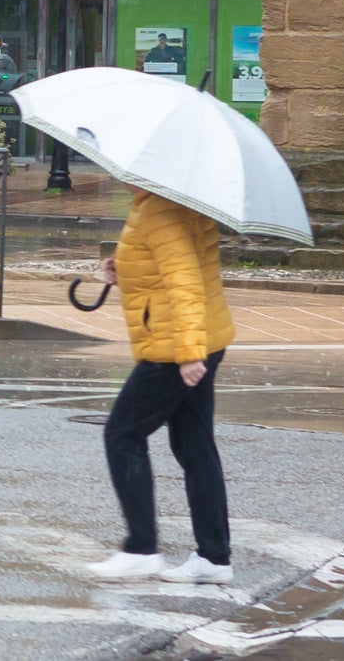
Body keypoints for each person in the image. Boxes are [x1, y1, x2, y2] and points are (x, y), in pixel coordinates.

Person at [86, 192, 235, 586]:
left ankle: (140, 549)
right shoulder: (184, 200)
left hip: (175, 348)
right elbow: (179, 264)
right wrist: (126, 268)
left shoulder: (158, 209)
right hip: (203, 337)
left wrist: (188, 354)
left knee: (123, 434)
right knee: (195, 445)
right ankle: (214, 557)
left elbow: (184, 282)